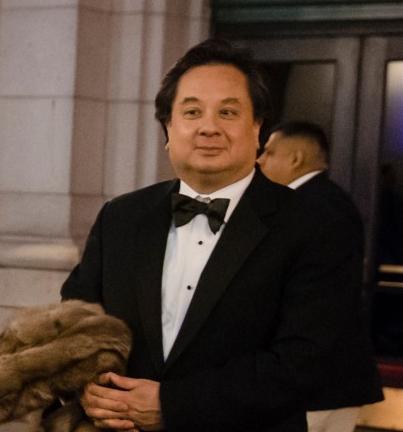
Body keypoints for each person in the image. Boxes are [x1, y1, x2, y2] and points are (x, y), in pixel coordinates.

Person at [61, 38, 360, 431]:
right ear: (169, 128)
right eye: (191, 111)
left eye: (228, 112)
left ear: (257, 129)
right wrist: (88, 389)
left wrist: (172, 405)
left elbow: (305, 360)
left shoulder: (312, 224)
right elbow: (76, 316)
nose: (208, 127)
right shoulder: (121, 216)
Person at [258, 120, 383, 432]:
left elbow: (315, 303)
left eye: (270, 152)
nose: (259, 160)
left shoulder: (304, 207)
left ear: (296, 158)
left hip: (312, 385)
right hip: (337, 379)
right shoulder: (333, 199)